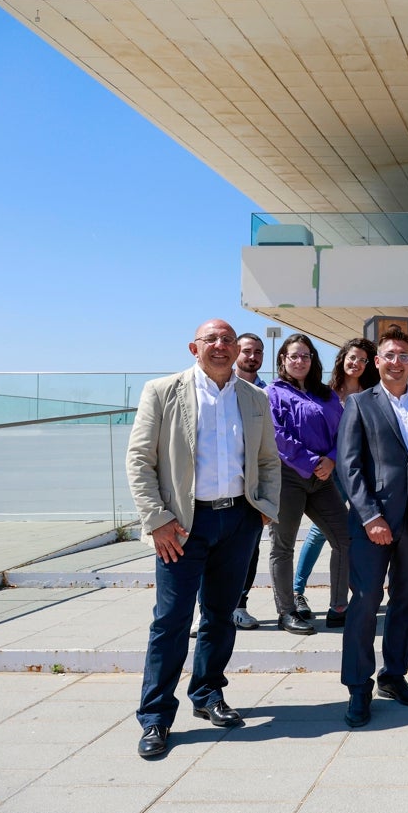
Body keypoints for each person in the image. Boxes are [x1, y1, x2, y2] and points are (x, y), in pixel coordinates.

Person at [126, 320, 280, 758]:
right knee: (171, 621)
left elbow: (268, 459)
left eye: (227, 340)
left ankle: (208, 694)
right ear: (194, 347)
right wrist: (156, 520)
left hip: (238, 522)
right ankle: (155, 717)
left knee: (219, 615)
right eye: (211, 340)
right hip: (180, 526)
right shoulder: (163, 391)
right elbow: (140, 459)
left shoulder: (253, 397)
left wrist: (264, 510)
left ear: (237, 350)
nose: (220, 346)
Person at [338, 328, 408, 728]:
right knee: (365, 603)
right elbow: (348, 467)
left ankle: (394, 675)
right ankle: (357, 686)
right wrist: (370, 516)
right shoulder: (359, 404)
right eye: (390, 355)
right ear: (377, 361)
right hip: (374, 523)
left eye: (405, 356)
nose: (397, 362)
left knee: (406, 603)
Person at [266, 334, 352, 635]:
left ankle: (339, 607)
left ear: (313, 360)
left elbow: (344, 431)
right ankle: (286, 612)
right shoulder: (273, 393)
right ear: (282, 361)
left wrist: (330, 459)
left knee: (345, 539)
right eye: (293, 356)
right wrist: (311, 461)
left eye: (305, 355)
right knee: (283, 546)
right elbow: (277, 436)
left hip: (324, 478)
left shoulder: (326, 395)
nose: (299, 361)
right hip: (289, 477)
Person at [292, 338, 379, 628]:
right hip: (331, 471)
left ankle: (356, 592)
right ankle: (297, 590)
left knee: (357, 531)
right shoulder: (326, 393)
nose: (356, 363)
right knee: (319, 533)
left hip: (360, 472)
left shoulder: (371, 394)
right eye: (352, 357)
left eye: (363, 360)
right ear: (342, 359)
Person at [231, 332, 267, 631]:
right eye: (247, 351)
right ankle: (208, 610)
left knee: (249, 551)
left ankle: (240, 605)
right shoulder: (224, 390)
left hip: (252, 490)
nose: (252, 356)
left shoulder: (266, 393)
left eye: (258, 352)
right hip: (220, 487)